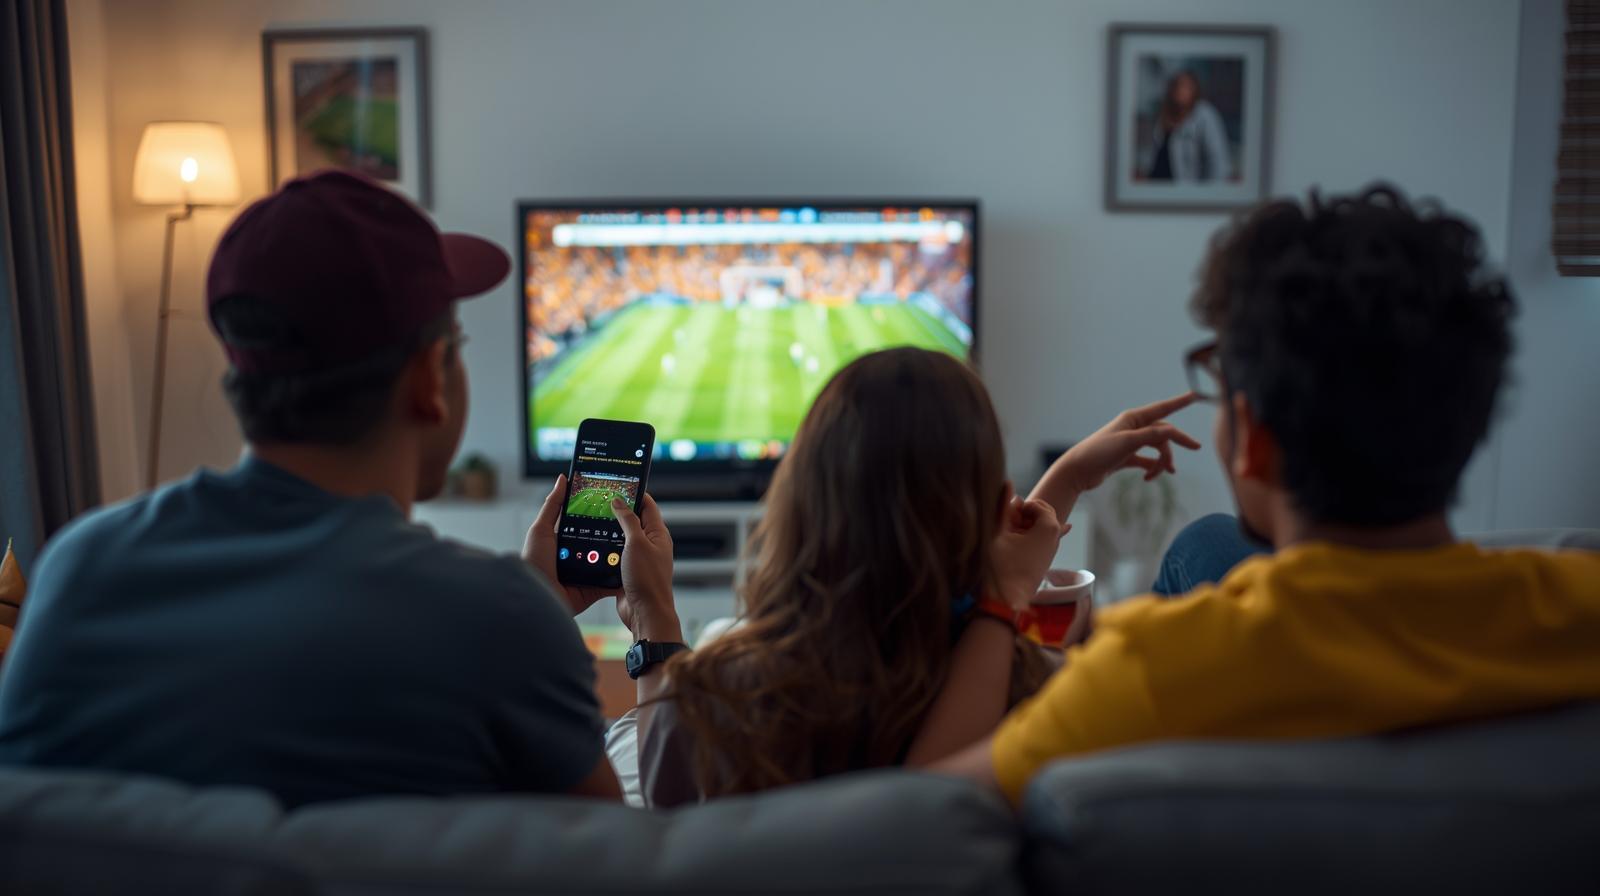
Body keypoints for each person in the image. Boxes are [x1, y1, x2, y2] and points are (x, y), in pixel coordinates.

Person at [934, 185, 1600, 803]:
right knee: (1208, 542)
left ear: (1251, 439)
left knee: (1207, 543)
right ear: (1472, 416)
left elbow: (929, 809)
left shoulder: (1150, 669)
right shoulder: (1576, 603)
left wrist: (999, 601)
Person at [0, 171, 627, 807]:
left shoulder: (81, 570)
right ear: (427, 379)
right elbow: (614, 858)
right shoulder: (502, 623)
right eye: (454, 345)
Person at [629, 347, 1198, 806]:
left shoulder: (704, 701)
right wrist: (1062, 483)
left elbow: (661, 795)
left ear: (795, 499)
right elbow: (991, 609)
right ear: (999, 510)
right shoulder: (1046, 694)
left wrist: (653, 615)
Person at [1142, 69, 1234, 183]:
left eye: (1185, 86)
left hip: (1189, 195)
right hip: (1157, 190)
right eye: (1176, 85)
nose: (1179, 90)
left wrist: (1209, 196)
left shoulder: (1205, 115)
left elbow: (1217, 163)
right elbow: (1149, 157)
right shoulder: (1162, 114)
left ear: (1194, 90)